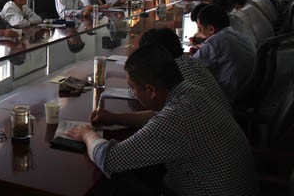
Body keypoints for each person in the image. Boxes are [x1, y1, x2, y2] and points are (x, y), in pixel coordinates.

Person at [66, 45, 257, 196]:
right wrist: (116, 118)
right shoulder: (193, 92)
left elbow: (109, 159)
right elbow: (157, 117)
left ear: (151, 90)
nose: (132, 92)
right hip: (232, 187)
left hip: (201, 190)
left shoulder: (177, 117)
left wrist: (87, 134)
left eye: (133, 88)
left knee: (114, 181)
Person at [191, 4, 255, 103]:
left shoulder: (215, 43)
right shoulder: (238, 35)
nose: (198, 33)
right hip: (249, 93)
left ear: (211, 29)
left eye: (200, 29)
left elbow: (190, 69)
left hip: (230, 99)